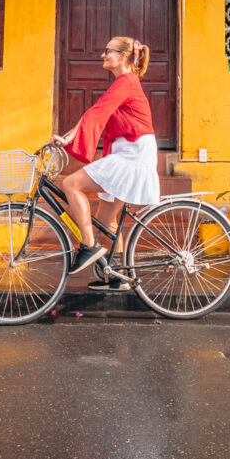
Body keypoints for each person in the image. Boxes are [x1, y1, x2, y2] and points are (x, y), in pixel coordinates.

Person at [52, 35, 160, 290]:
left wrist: (67, 139)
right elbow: (97, 111)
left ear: (123, 56)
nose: (103, 55)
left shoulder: (127, 81)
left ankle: (88, 246)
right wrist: (68, 137)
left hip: (132, 154)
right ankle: (118, 276)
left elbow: (97, 112)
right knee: (107, 221)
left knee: (70, 184)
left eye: (107, 51)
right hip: (130, 152)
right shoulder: (125, 83)